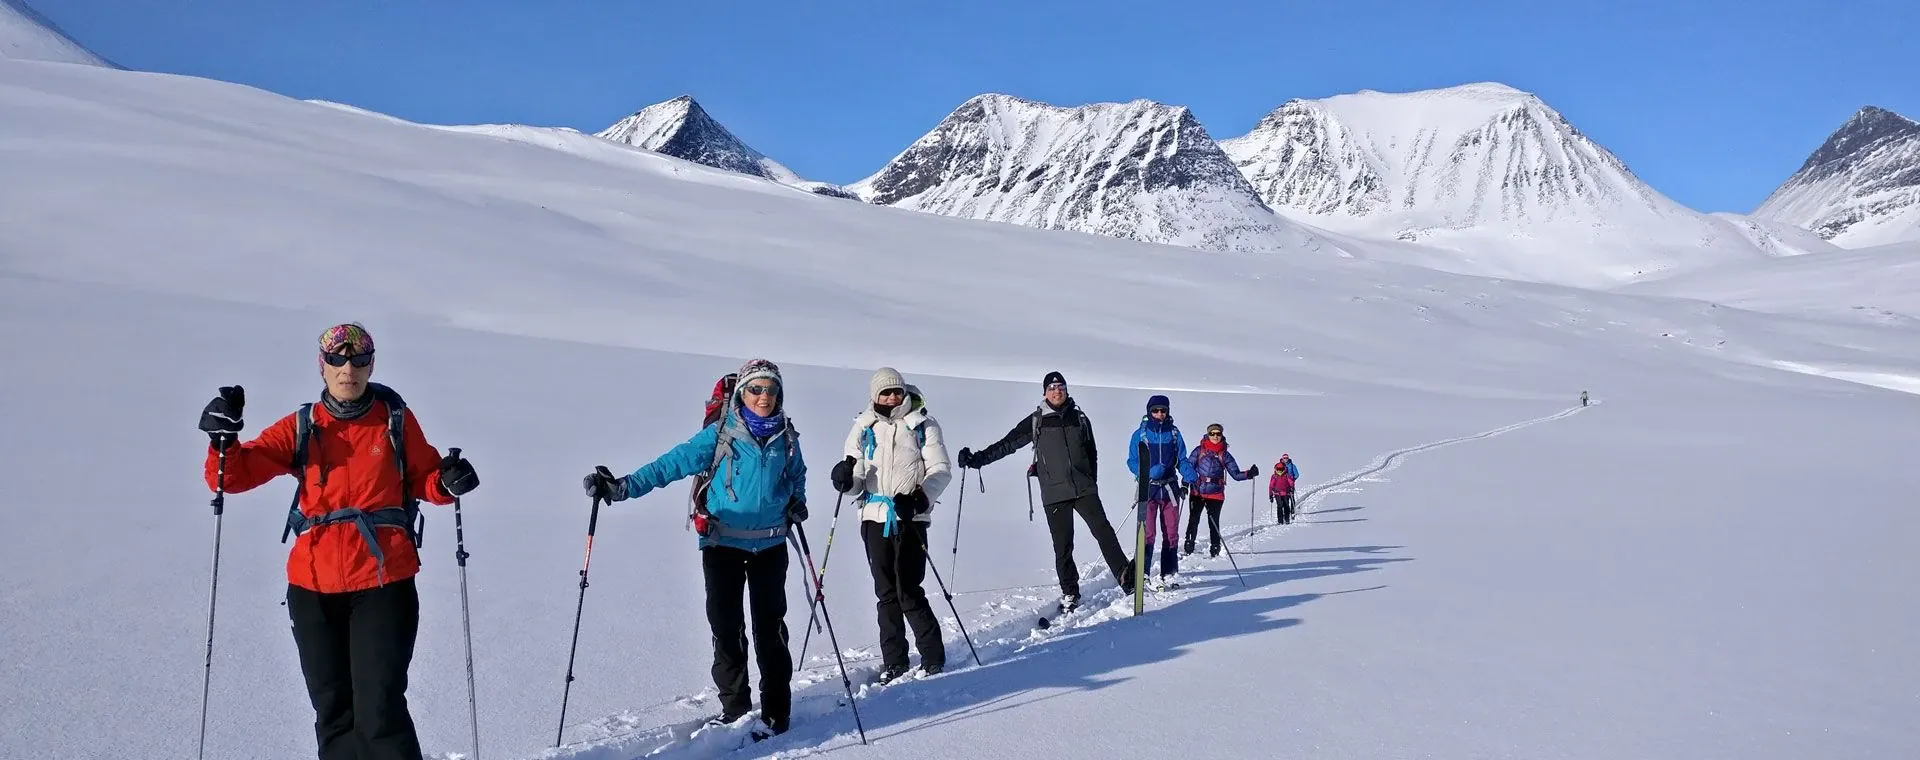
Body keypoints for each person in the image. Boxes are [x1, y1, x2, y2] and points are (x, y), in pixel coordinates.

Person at [196, 322, 479, 760]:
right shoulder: (302, 426)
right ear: (322, 365)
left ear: (371, 364)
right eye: (338, 359)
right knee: (333, 710)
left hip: (383, 583)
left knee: (379, 706)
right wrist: (223, 439)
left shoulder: (394, 420)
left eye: (359, 359)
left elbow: (425, 477)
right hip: (311, 588)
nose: (349, 368)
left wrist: (448, 482)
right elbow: (233, 477)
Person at [582, 359, 806, 737]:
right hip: (722, 545)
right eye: (756, 389)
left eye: (770, 390)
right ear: (741, 394)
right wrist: (621, 487)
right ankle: (735, 708)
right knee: (726, 626)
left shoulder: (787, 437)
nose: (763, 397)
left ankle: (776, 715)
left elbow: (797, 476)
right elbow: (671, 464)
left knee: (770, 631)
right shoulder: (720, 435)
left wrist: (797, 501)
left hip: (770, 545)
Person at [956, 371, 1135, 612]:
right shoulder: (1037, 420)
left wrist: (1091, 480)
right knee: (1062, 546)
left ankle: (1126, 577)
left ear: (1067, 390)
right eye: (1052, 388)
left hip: (1083, 488)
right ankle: (1070, 591)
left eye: (1061, 386)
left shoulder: (1080, 418)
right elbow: (1008, 444)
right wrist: (978, 459)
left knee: (1104, 532)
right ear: (1044, 392)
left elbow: (1091, 452)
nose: (1057, 391)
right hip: (1054, 493)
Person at [831, 367, 951, 683]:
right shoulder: (862, 427)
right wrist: (845, 481)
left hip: (910, 517)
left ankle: (932, 656)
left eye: (896, 391)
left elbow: (940, 469)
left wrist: (920, 498)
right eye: (885, 392)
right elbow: (855, 474)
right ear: (875, 396)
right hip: (874, 516)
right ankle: (894, 661)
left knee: (908, 589)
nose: (892, 397)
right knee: (885, 592)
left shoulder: (923, 424)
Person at [1126, 394, 1188, 584]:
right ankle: (1142, 573)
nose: (1159, 414)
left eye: (1163, 410)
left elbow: (1182, 459)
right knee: (1147, 532)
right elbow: (1132, 461)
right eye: (1155, 410)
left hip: (1170, 489)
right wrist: (1146, 472)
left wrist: (1189, 473)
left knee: (1171, 532)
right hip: (1149, 490)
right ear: (1149, 411)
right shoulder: (1140, 434)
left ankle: (1168, 573)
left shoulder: (1174, 433)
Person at [1181, 423, 1256, 557]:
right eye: (1212, 433)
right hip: (1197, 491)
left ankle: (1215, 548)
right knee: (1193, 519)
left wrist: (1249, 474)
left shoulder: (1225, 454)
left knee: (1214, 522)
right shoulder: (1199, 450)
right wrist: (1184, 485)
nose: (1215, 436)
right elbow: (1188, 468)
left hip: (1216, 494)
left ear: (1222, 435)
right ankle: (1189, 544)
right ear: (1207, 435)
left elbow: (1235, 474)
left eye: (1218, 434)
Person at [1268, 454, 1299, 525]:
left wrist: (1270, 495)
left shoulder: (1277, 475)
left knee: (1282, 506)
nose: (1279, 471)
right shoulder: (1279, 475)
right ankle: (1283, 520)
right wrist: (1270, 495)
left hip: (1282, 493)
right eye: (1278, 469)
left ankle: (1283, 520)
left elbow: (1271, 486)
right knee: (1283, 506)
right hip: (1281, 493)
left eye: (1280, 469)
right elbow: (1271, 486)